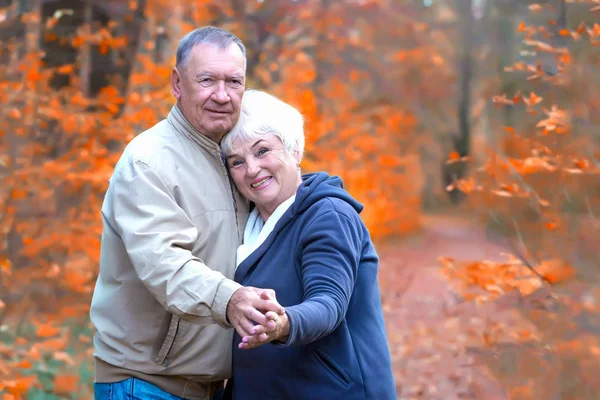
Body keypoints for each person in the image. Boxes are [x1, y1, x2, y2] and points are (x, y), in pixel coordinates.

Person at [89, 27, 284, 400]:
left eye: (234, 81)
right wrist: (231, 300)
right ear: (178, 84)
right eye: (207, 80)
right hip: (144, 385)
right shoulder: (148, 160)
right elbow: (164, 264)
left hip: (212, 387)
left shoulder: (236, 159)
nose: (222, 95)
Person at [221, 90, 397, 399]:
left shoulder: (327, 215)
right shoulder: (245, 225)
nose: (251, 169)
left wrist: (284, 322)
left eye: (262, 151)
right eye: (237, 161)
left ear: (295, 149)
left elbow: (328, 303)